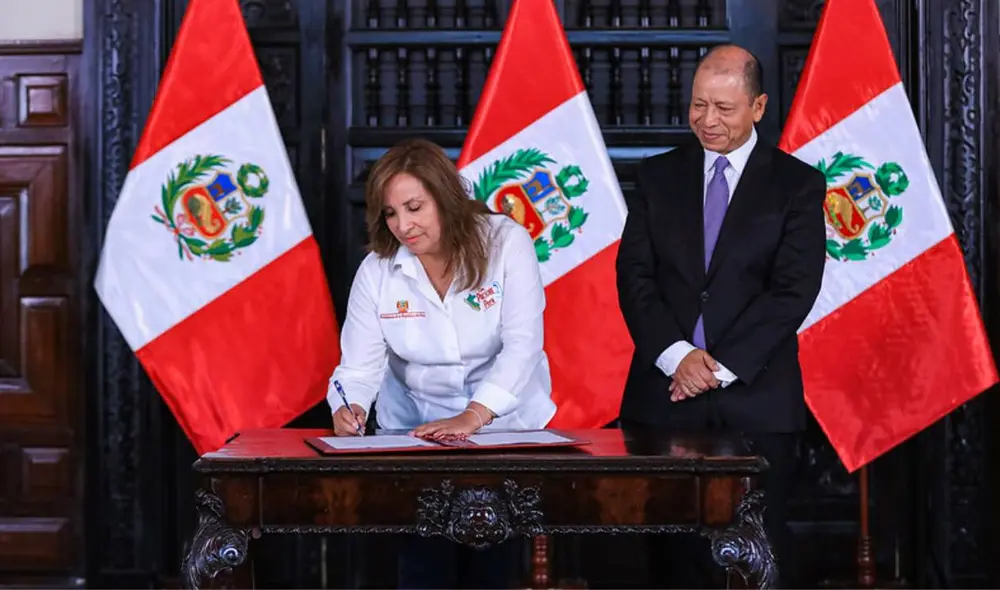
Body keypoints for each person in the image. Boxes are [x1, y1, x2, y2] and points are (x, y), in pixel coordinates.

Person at [615, 45, 827, 588]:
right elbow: (634, 278)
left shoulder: (796, 185)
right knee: (669, 561)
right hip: (663, 401)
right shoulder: (656, 177)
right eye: (698, 105)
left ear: (757, 106)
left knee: (754, 561)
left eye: (724, 109)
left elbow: (792, 291)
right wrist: (678, 356)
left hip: (756, 403)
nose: (707, 121)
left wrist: (718, 366)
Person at [326, 138, 554, 588]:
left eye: (414, 207)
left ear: (447, 199)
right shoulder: (377, 270)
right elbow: (357, 366)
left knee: (493, 570)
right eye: (391, 213)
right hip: (413, 435)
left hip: (503, 432)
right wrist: (348, 408)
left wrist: (474, 415)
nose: (403, 226)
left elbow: (523, 346)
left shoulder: (507, 242)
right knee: (423, 569)